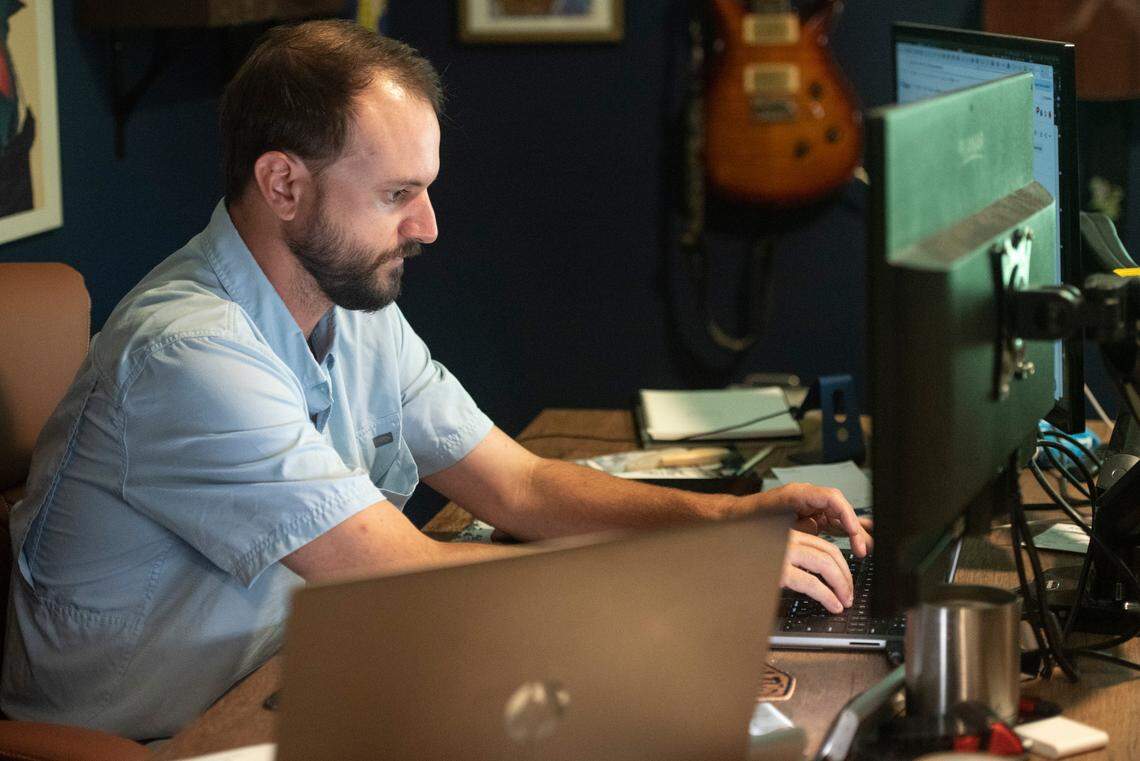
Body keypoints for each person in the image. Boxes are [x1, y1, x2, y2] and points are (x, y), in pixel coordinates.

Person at [0, 20, 871, 741]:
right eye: (397, 195)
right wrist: (711, 575)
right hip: (153, 734)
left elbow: (519, 485)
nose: (430, 225)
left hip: (284, 675)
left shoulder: (352, 303)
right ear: (283, 183)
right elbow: (408, 575)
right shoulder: (187, 354)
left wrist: (731, 517)